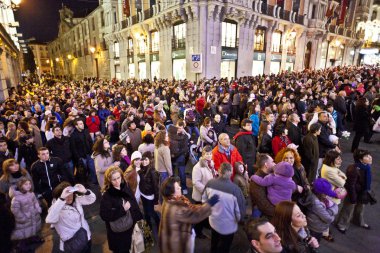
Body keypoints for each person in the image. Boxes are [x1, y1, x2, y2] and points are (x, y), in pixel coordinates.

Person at [159, 177, 219, 253]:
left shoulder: (169, 200)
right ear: (172, 193)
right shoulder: (177, 209)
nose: (180, 187)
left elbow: (190, 208)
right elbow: (195, 214)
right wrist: (209, 204)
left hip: (171, 237)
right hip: (178, 243)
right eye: (177, 188)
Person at [203, 162, 246, 253]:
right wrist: (239, 220)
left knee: (214, 241)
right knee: (225, 246)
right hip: (228, 225)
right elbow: (240, 211)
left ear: (219, 171)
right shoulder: (235, 190)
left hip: (213, 221)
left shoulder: (210, 183)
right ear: (230, 172)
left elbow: (204, 201)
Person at [100, 166, 143, 253]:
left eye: (118, 178)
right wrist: (122, 210)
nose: (117, 181)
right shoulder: (107, 195)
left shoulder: (125, 186)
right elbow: (104, 215)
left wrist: (139, 219)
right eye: (114, 179)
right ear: (109, 180)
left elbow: (133, 202)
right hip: (118, 234)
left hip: (131, 227)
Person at [45, 181, 96, 253]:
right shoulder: (56, 208)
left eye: (71, 194)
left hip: (86, 236)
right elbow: (49, 220)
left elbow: (92, 199)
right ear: (60, 196)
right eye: (66, 195)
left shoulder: (76, 200)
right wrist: (62, 199)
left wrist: (85, 191)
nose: (69, 197)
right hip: (73, 243)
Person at [336, 149, 373, 233]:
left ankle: (358, 221)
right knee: (348, 209)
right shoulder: (353, 168)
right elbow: (351, 185)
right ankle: (341, 225)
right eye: (367, 156)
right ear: (360, 159)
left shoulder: (367, 166)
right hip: (353, 192)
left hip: (362, 191)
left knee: (360, 208)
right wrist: (353, 198)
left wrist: (366, 191)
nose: (370, 157)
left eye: (369, 155)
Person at [191, 145, 218, 238]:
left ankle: (206, 225)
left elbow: (213, 174)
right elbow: (196, 182)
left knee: (207, 212)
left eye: (210, 154)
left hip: (209, 194)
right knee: (200, 216)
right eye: (207, 154)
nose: (209, 156)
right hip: (201, 196)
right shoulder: (197, 167)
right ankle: (198, 232)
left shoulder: (211, 163)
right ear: (202, 155)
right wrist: (207, 191)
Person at [10, 178, 43, 250]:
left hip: (33, 215)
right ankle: (22, 245)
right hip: (24, 218)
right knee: (23, 232)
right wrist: (22, 218)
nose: (29, 186)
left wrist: (38, 208)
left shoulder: (31, 194)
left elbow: (35, 202)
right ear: (20, 186)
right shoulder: (16, 198)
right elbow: (15, 210)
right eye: (26, 184)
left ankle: (32, 239)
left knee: (32, 229)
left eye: (29, 184)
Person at [70, 118, 97, 184]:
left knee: (92, 168)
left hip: (89, 153)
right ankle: (85, 183)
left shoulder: (86, 131)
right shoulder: (73, 135)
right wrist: (78, 158)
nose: (83, 125)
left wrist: (93, 151)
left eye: (82, 123)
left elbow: (90, 141)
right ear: (76, 126)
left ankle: (94, 181)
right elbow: (74, 148)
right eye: (81, 124)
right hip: (81, 156)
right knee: (84, 170)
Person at [249, 154, 276, 219]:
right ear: (266, 165)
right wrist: (279, 212)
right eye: (272, 162)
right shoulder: (256, 182)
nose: (275, 164)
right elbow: (263, 204)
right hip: (263, 216)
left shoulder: (271, 174)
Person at [138, 152, 160, 230]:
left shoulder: (152, 171)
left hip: (150, 196)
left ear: (150, 160)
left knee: (151, 213)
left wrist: (156, 201)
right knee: (146, 212)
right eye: (143, 160)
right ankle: (149, 227)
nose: (144, 162)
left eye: (146, 160)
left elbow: (156, 187)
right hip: (143, 195)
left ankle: (158, 225)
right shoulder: (141, 169)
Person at [167, 120, 189, 194]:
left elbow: (184, 148)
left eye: (180, 128)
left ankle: (184, 187)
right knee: (171, 173)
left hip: (180, 156)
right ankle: (172, 188)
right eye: (177, 127)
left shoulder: (185, 136)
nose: (179, 129)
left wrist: (175, 154)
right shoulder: (171, 134)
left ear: (183, 128)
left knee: (182, 173)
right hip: (171, 156)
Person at [154, 130, 173, 195]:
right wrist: (170, 174)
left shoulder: (157, 145)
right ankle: (164, 203)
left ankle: (161, 202)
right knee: (164, 190)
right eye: (166, 136)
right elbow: (168, 163)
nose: (168, 137)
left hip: (157, 169)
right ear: (163, 138)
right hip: (164, 172)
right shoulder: (165, 148)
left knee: (160, 188)